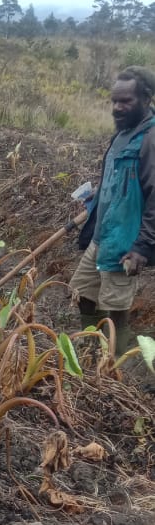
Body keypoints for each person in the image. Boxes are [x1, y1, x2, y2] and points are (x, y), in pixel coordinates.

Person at [70, 65, 155, 354]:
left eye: (125, 101)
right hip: (102, 234)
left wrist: (142, 247)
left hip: (125, 241)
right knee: (82, 291)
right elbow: (117, 179)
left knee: (116, 308)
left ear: (146, 98)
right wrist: (98, 193)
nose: (117, 108)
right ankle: (91, 347)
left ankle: (117, 365)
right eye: (114, 101)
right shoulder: (122, 135)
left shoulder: (150, 140)